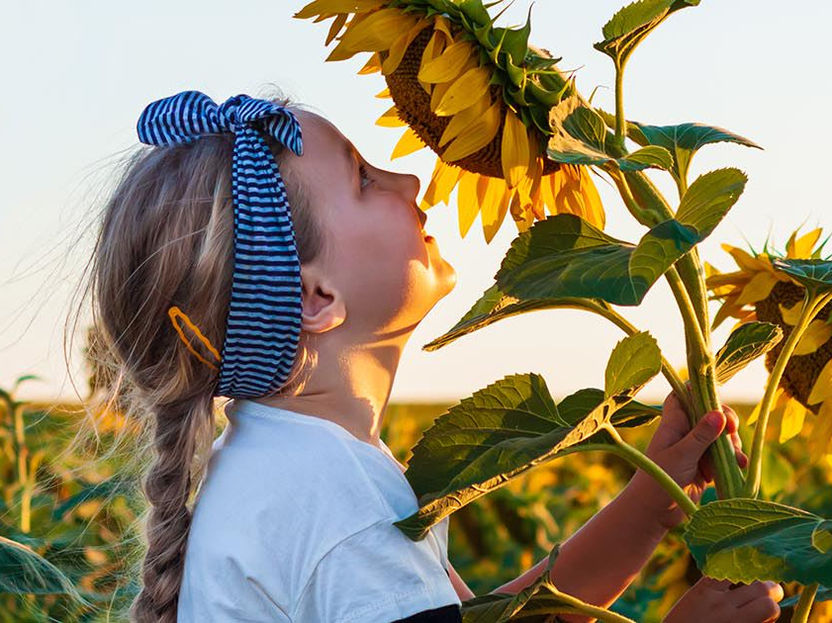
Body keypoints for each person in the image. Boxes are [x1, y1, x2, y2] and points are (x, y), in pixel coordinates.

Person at [84, 89, 784, 623]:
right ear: (315, 297)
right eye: (364, 179)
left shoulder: (296, 466)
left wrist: (648, 502)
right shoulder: (338, 501)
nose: (410, 183)